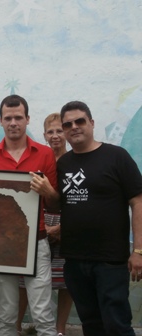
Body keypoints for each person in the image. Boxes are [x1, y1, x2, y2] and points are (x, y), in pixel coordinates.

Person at [0, 95, 58, 336]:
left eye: (18, 117)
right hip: (1, 246)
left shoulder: (45, 154)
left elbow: (55, 204)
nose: (13, 122)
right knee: (7, 313)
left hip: (36, 241)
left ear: (27, 119)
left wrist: (48, 190)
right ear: (0, 121)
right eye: (8, 118)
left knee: (42, 312)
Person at [57, 101, 142, 336]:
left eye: (80, 121)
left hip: (110, 261)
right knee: (91, 325)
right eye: (68, 124)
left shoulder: (116, 156)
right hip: (74, 260)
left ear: (92, 123)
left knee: (117, 325)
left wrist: (139, 251)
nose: (74, 127)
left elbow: (138, 202)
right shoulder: (64, 164)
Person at [17, 113, 73, 336]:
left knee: (65, 279)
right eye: (51, 131)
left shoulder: (72, 161)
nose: (56, 135)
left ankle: (58, 328)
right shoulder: (39, 156)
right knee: (25, 278)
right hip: (37, 222)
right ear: (44, 135)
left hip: (66, 222)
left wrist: (61, 228)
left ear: (66, 134)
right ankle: (16, 325)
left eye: (60, 130)